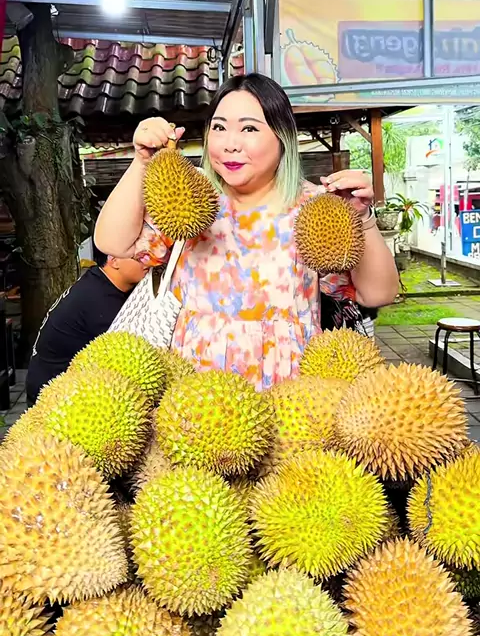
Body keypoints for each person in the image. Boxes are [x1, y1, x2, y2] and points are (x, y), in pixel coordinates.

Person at [95, 73, 398, 391]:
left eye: (249, 128)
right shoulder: (191, 197)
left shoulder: (314, 207)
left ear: (282, 137)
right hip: (196, 392)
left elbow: (378, 294)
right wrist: (142, 162)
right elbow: (113, 242)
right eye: (219, 128)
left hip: (288, 395)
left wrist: (362, 217)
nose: (230, 144)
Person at [25, 246, 147, 405]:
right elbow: (136, 352)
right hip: (53, 397)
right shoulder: (99, 301)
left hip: (58, 382)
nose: (148, 261)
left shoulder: (98, 280)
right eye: (139, 258)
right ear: (114, 260)